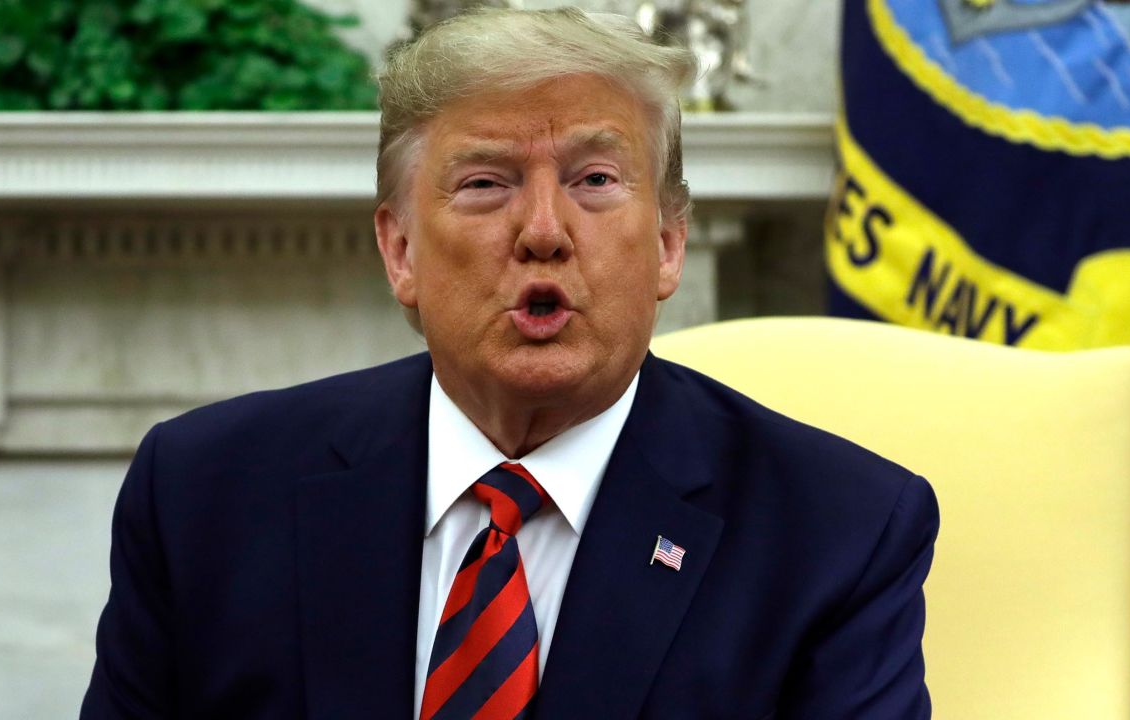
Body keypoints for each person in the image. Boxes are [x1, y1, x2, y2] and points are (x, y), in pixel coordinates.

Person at [81, 8, 938, 719]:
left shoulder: (838, 534)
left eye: (595, 180)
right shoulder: (204, 494)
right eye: (486, 183)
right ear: (401, 250)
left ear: (670, 246)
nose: (543, 231)